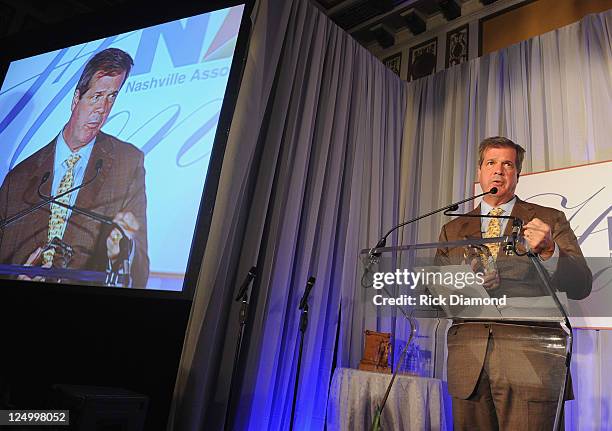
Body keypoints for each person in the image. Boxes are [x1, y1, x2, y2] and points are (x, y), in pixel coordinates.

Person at [435, 136, 591, 430]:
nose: (499, 171)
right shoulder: (453, 228)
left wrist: (549, 251)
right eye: (491, 163)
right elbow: (432, 292)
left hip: (532, 364)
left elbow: (582, 283)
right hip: (469, 365)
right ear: (479, 172)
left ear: (517, 174)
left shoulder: (548, 219)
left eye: (508, 164)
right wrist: (462, 282)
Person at [0, 48, 148, 287]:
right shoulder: (18, 178)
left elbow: (139, 264)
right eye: (97, 96)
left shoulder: (127, 162)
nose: (103, 109)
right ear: (76, 98)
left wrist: (121, 251)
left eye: (112, 97)